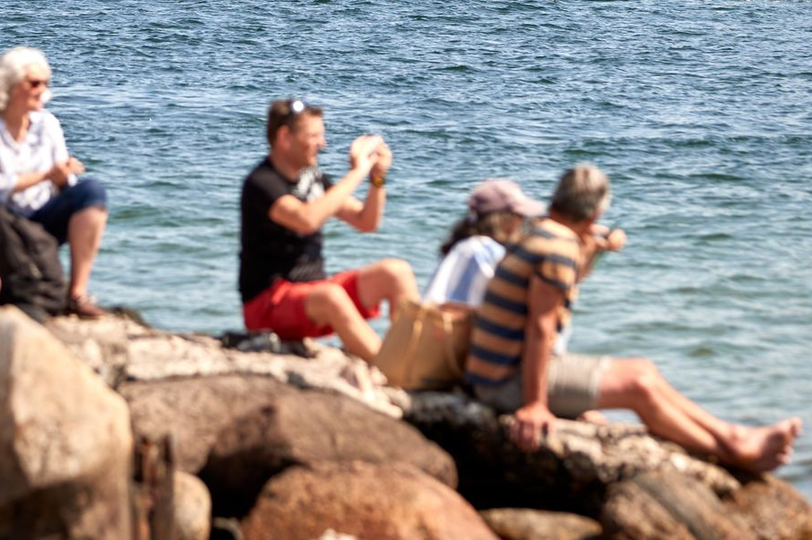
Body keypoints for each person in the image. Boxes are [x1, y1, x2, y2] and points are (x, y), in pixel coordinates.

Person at [465, 164, 801, 473]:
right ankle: (734, 450)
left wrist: (594, 246)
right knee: (638, 383)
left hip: (495, 374)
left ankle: (735, 438)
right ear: (596, 212)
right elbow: (541, 327)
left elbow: (560, 285)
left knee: (645, 372)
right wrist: (535, 404)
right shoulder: (559, 248)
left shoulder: (538, 232)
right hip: (506, 385)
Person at [238, 98, 416, 361]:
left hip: (313, 295)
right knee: (331, 295)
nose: (323, 143)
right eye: (314, 136)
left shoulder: (313, 179)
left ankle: (417, 361)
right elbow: (306, 219)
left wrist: (376, 178)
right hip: (267, 304)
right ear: (285, 137)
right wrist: (356, 172)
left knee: (396, 272)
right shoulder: (262, 182)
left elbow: (366, 221)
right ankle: (392, 370)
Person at [0, 47, 109, 318]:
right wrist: (43, 176)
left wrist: (60, 179)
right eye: (34, 83)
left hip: (40, 218)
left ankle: (77, 295)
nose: (42, 90)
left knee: (91, 191)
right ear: (9, 85)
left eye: (45, 83)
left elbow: (63, 183)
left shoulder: (48, 124)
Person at [424, 179, 544, 308]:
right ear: (506, 218)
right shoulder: (488, 252)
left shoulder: (463, 246)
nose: (523, 222)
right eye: (521, 216)